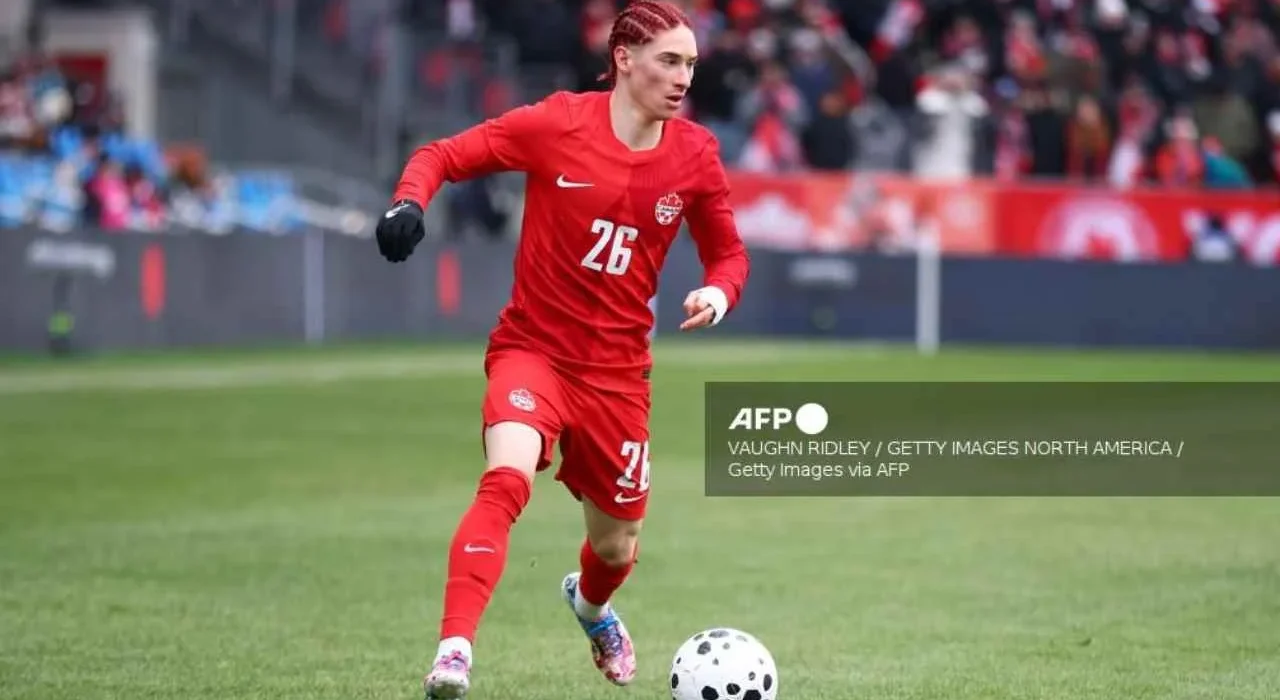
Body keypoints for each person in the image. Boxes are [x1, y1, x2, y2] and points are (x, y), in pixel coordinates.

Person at [373, 2, 751, 698]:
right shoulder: (558, 124)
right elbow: (441, 155)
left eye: (691, 64)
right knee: (505, 480)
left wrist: (719, 294)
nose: (683, 78)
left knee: (616, 548)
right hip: (534, 353)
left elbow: (728, 255)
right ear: (624, 59)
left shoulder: (695, 154)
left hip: (618, 377)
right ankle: (453, 652)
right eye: (670, 61)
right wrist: (408, 203)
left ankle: (591, 605)